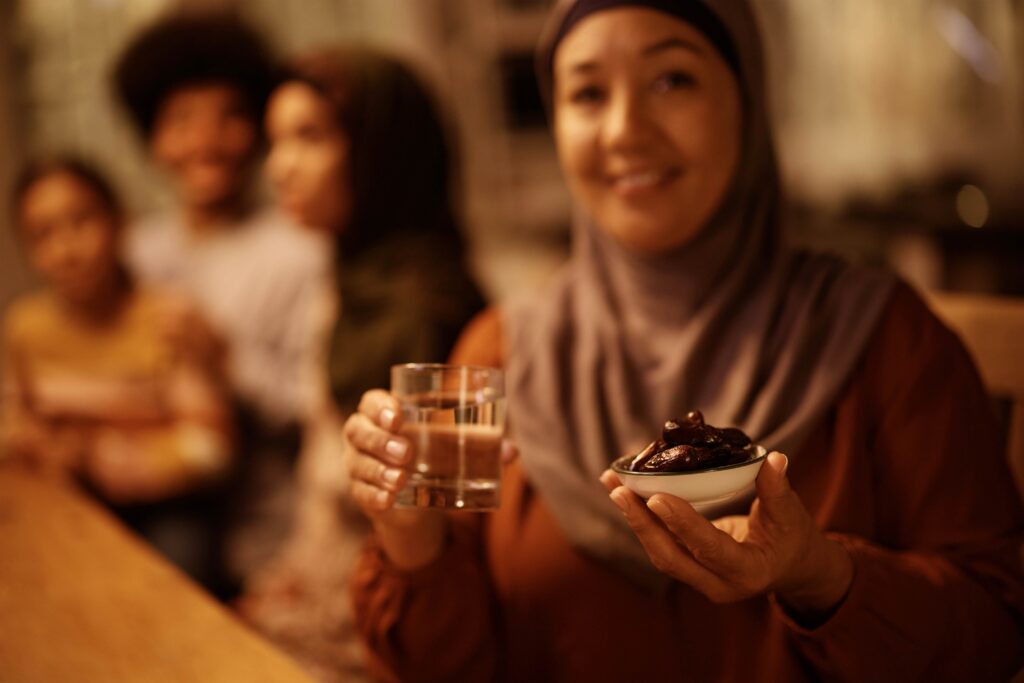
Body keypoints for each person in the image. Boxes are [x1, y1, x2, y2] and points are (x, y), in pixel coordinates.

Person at [342, 1, 1024, 681]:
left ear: (748, 100)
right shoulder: (491, 348)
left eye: (672, 80)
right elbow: (436, 669)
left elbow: (997, 628)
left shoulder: (887, 333)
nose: (624, 131)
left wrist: (820, 573)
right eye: (586, 92)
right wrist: (409, 536)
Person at [235, 47, 485, 682]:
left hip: (385, 641)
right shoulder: (348, 282)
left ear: (383, 152)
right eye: (274, 141)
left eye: (310, 137)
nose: (279, 168)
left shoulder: (436, 311)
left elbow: (457, 552)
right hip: (318, 596)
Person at [112, 12, 333, 585]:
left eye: (229, 116)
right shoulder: (132, 253)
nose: (206, 141)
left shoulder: (298, 251)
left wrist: (226, 361)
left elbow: (314, 409)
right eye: (182, 120)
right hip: (134, 516)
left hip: (263, 544)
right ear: (152, 139)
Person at [1, 157, 234, 585]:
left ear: (119, 222)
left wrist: (120, 461)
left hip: (167, 504)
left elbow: (213, 449)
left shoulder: (165, 318)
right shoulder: (26, 328)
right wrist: (37, 445)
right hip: (73, 497)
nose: (66, 249)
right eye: (43, 234)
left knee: (173, 574)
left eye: (82, 221)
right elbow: (22, 421)